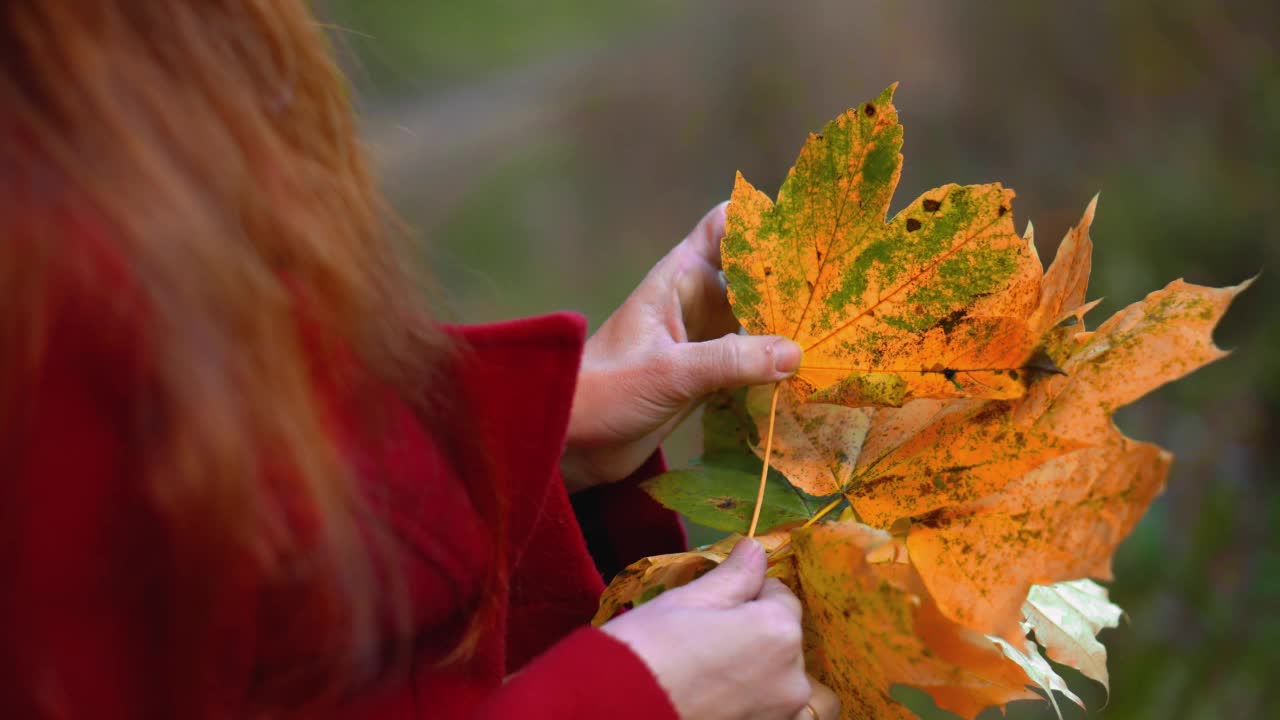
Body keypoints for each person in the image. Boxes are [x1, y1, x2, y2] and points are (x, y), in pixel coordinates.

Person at [0, 2, 841, 719]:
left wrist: (549, 446)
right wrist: (624, 697)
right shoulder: (48, 251)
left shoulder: (125, 78)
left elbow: (235, 587)